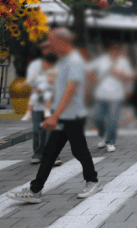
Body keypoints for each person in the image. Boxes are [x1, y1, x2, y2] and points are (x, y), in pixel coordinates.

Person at [7, 28, 101, 203]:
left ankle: (93, 181)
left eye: (52, 41)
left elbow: (70, 90)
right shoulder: (64, 60)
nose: (50, 45)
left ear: (62, 41)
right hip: (65, 114)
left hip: (72, 115)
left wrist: (55, 116)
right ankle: (35, 190)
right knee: (50, 153)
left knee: (79, 151)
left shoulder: (73, 60)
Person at [88, 42, 134, 153]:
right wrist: (93, 79)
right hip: (100, 95)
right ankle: (102, 136)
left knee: (112, 120)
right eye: (113, 50)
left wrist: (118, 73)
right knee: (98, 118)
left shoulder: (123, 61)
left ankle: (110, 142)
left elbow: (130, 76)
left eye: (117, 50)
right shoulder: (102, 59)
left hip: (116, 96)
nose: (115, 52)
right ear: (109, 50)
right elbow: (88, 69)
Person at [23, 52, 60, 166]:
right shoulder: (35, 66)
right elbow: (31, 83)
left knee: (50, 130)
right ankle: (38, 153)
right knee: (37, 130)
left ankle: (53, 155)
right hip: (37, 105)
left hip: (52, 104)